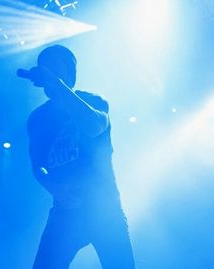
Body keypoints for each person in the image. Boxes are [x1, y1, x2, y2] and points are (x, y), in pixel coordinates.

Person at [20, 45, 135, 269]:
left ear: (69, 72)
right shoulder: (37, 118)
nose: (49, 71)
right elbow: (37, 166)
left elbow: (94, 126)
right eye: (45, 67)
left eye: (55, 66)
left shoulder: (93, 102)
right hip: (64, 214)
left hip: (105, 210)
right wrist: (52, 186)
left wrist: (58, 85)